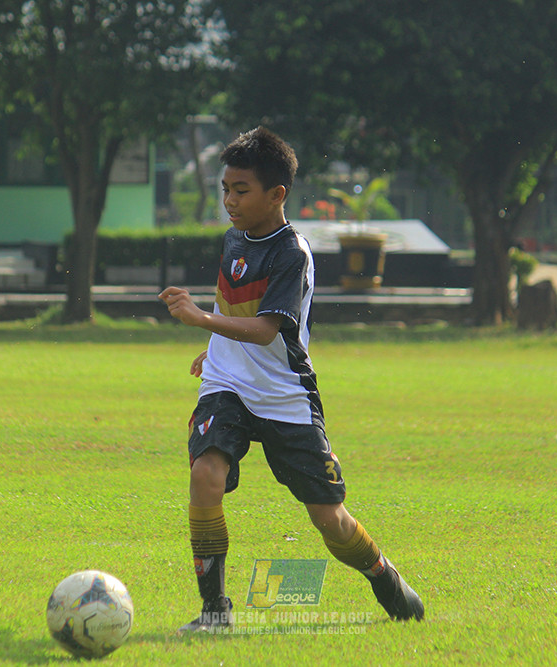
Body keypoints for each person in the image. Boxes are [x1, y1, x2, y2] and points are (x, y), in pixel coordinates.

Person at [159, 127, 424, 633]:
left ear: (277, 194)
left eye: (241, 191)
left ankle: (382, 574)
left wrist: (202, 321)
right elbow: (235, 305)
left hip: (285, 397)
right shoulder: (236, 236)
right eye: (225, 189)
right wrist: (213, 346)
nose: (229, 201)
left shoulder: (292, 253)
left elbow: (264, 330)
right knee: (204, 477)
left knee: (331, 520)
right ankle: (215, 612)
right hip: (227, 384)